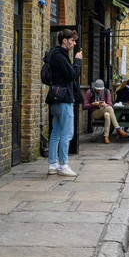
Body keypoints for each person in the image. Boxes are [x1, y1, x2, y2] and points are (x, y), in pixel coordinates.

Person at [45, 29, 83, 177]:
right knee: (67, 133)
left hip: (55, 98)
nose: (74, 44)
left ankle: (53, 164)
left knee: (56, 132)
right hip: (64, 99)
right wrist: (78, 61)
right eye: (72, 41)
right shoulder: (60, 56)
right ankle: (63, 165)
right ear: (64, 40)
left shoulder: (55, 54)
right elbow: (71, 75)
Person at [83, 79, 129, 145]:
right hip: (95, 112)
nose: (99, 91)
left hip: (105, 110)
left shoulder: (106, 91)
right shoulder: (89, 92)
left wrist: (105, 105)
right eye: (97, 89)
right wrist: (93, 104)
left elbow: (110, 103)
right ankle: (118, 129)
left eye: (100, 89)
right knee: (109, 109)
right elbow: (84, 106)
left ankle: (106, 136)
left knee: (107, 114)